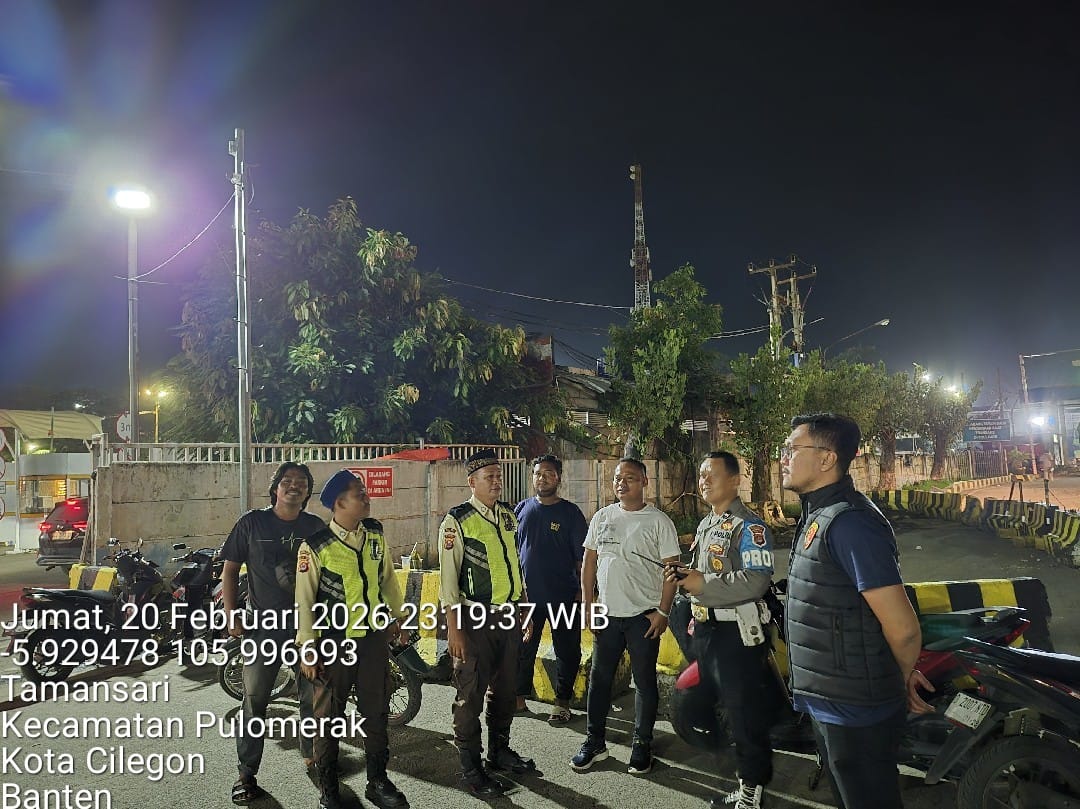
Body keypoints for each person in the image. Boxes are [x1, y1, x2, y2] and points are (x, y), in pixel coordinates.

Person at [781, 413, 933, 809]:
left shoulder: (850, 523)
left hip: (855, 709)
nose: (784, 458)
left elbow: (903, 627)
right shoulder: (818, 513)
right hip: (830, 700)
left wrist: (898, 677)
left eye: (792, 449)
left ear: (827, 458)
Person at [665, 451, 776, 809]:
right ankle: (743, 775)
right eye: (701, 475)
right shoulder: (706, 524)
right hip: (707, 631)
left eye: (712, 474)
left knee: (744, 714)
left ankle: (752, 790)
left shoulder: (750, 527)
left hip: (736, 637)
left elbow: (756, 580)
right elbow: (703, 574)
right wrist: (686, 577)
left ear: (735, 480)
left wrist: (702, 583)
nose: (704, 481)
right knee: (724, 707)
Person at [294, 469, 410, 809]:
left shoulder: (374, 534)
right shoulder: (315, 546)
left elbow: (387, 579)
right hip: (333, 643)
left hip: (372, 640)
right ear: (339, 503)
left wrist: (399, 617)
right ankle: (329, 790)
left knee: (376, 713)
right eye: (360, 493)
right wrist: (308, 649)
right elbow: (304, 601)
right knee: (328, 720)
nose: (367, 497)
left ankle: (378, 781)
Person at [221, 462, 326, 805]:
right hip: (262, 628)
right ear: (275, 488)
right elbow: (230, 569)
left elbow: (328, 575)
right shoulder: (252, 523)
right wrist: (231, 614)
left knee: (312, 695)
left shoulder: (315, 527)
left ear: (308, 491)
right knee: (254, 701)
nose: (294, 486)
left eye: (301, 482)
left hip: (305, 628)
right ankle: (246, 774)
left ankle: (313, 756)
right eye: (287, 481)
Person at [571, 457, 680, 776]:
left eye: (630, 478)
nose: (621, 483)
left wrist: (663, 612)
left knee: (644, 682)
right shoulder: (603, 517)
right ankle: (594, 742)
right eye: (618, 478)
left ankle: (641, 745)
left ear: (645, 482)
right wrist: (589, 605)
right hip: (607, 616)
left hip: (643, 618)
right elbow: (589, 563)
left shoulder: (659, 522)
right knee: (599, 680)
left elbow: (672, 571)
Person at [439, 448, 536, 797]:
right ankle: (471, 768)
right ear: (472, 482)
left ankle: (499, 751)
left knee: (506, 689)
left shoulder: (508, 515)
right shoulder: (457, 521)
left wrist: (523, 607)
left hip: (507, 616)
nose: (497, 481)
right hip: (473, 619)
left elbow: (515, 565)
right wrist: (454, 629)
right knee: (470, 696)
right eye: (489, 477)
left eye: (499, 476)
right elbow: (448, 580)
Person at [514, 454, 588, 725]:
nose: (542, 478)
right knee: (522, 649)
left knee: (567, 651)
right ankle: (518, 699)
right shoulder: (521, 509)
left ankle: (562, 704)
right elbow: (512, 553)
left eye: (548, 473)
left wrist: (584, 593)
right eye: (537, 473)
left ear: (558, 478)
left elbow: (582, 559)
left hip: (563, 597)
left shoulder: (571, 514)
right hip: (528, 599)